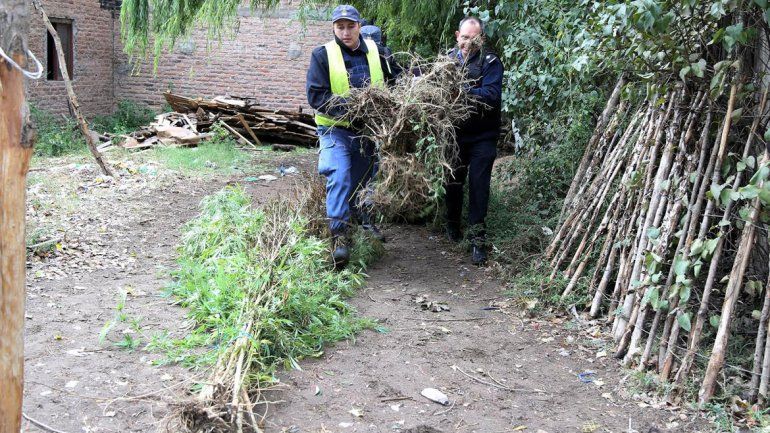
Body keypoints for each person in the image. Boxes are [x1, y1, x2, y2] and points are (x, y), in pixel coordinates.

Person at [306, 5, 397, 269]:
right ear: (334, 28)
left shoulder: (377, 53)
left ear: (359, 26)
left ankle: (360, 222)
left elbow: (395, 82)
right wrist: (353, 108)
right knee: (339, 174)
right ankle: (339, 240)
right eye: (340, 27)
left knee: (362, 182)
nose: (345, 32)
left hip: (367, 132)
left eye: (350, 26)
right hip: (334, 130)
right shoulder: (323, 55)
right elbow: (316, 97)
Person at [445, 16, 504, 266]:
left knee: (479, 187)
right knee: (452, 182)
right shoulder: (447, 62)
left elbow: (491, 96)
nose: (468, 43)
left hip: (483, 136)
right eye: (465, 37)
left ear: (481, 38)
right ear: (458, 35)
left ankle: (477, 239)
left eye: (474, 38)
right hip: (455, 135)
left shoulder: (491, 62)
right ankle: (452, 226)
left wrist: (461, 93)